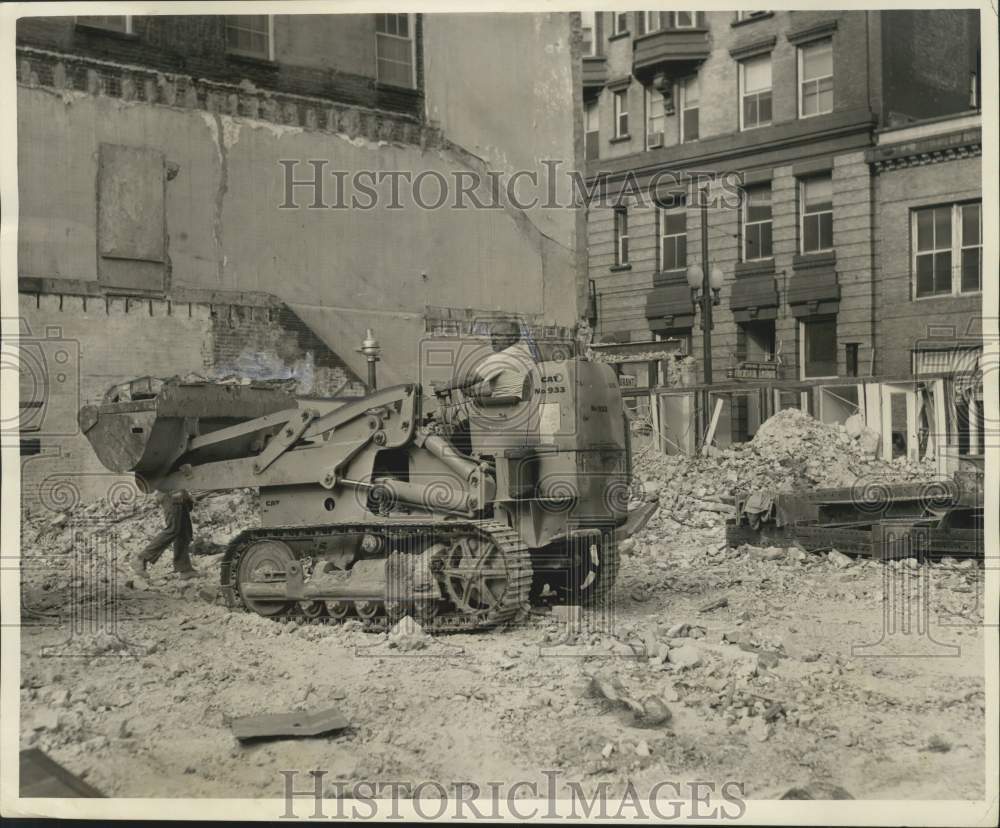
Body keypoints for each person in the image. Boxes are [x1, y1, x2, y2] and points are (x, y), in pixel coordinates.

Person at [432, 319, 536, 401]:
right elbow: (506, 386)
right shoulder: (524, 355)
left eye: (498, 335)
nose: (493, 339)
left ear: (512, 338)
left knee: (459, 425)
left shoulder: (503, 357)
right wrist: (470, 391)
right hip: (520, 407)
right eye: (492, 335)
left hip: (505, 409)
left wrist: (445, 386)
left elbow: (470, 378)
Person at [131, 489, 198, 580]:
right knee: (173, 529)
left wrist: (186, 494)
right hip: (170, 492)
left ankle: (185, 569)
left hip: (178, 492)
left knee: (183, 531)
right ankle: (141, 558)